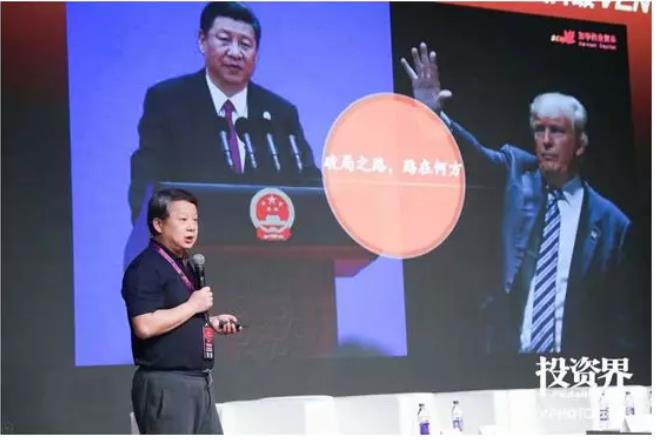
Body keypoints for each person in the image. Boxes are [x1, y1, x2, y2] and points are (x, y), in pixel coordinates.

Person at [401, 42, 646, 354]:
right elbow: (474, 157)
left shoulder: (613, 225)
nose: (546, 141)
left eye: (557, 131)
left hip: (568, 370)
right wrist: (434, 115)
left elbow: (622, 323)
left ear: (580, 144)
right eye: (539, 130)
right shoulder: (517, 170)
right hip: (506, 363)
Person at [129, 2, 321, 222]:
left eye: (245, 44)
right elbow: (147, 181)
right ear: (202, 40)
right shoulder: (168, 101)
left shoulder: (280, 113)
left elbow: (308, 183)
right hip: (194, 236)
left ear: (257, 53)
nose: (235, 52)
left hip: (267, 239)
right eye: (225, 40)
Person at [121, 188, 240, 434]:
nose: (191, 227)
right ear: (158, 224)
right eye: (183, 219)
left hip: (200, 383)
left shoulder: (183, 265)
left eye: (195, 220)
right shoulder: (146, 267)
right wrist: (193, 306)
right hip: (167, 385)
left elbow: (176, 316)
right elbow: (145, 325)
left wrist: (209, 322)